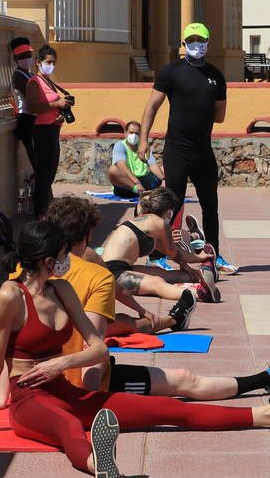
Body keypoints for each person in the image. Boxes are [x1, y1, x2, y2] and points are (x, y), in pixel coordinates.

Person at [0, 221, 270, 478]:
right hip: (29, 399)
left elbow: (99, 347)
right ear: (50, 261)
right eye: (65, 255)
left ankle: (269, 415)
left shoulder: (62, 290)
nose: (69, 260)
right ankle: (99, 465)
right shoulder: (10, 296)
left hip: (67, 391)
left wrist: (62, 363)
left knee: (167, 409)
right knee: (68, 426)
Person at [35, 195, 270, 399]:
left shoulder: (27, 274)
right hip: (80, 384)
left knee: (129, 319)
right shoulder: (95, 273)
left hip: (50, 378)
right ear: (88, 234)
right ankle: (267, 381)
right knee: (183, 381)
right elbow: (90, 357)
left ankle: (173, 320)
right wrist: (88, 401)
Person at [138, 22, 238, 275]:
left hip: (203, 151)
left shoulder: (217, 76)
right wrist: (143, 139)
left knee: (210, 204)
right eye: (191, 40)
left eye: (200, 40)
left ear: (208, 43)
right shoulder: (171, 72)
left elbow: (220, 115)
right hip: (177, 150)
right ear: (183, 44)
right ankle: (158, 254)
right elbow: (152, 106)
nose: (196, 44)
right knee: (171, 203)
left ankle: (213, 254)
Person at [100, 188, 218, 324]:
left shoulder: (143, 221)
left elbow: (172, 253)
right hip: (113, 274)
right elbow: (174, 252)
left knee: (163, 273)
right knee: (157, 282)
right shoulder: (159, 223)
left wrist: (200, 258)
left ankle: (204, 275)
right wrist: (191, 263)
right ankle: (200, 293)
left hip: (119, 268)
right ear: (169, 211)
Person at [24, 45, 69, 218]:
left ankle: (45, 212)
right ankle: (40, 214)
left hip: (52, 129)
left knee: (50, 173)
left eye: (53, 62)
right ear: (38, 63)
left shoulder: (48, 81)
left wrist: (59, 115)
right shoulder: (34, 82)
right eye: (48, 62)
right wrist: (56, 104)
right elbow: (33, 106)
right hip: (41, 131)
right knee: (43, 175)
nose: (51, 65)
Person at [108, 121, 164, 199]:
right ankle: (138, 191)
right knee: (112, 170)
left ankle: (152, 191)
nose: (134, 135)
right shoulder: (120, 145)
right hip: (127, 184)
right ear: (125, 133)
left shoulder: (143, 147)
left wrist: (163, 179)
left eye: (137, 133)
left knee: (165, 167)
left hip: (144, 181)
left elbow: (153, 165)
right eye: (131, 132)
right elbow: (122, 166)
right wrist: (136, 182)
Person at [9, 37, 36, 170]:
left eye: (29, 55)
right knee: (35, 159)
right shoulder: (18, 76)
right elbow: (32, 99)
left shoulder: (29, 74)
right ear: (16, 59)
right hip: (26, 119)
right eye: (23, 56)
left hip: (33, 118)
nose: (27, 58)